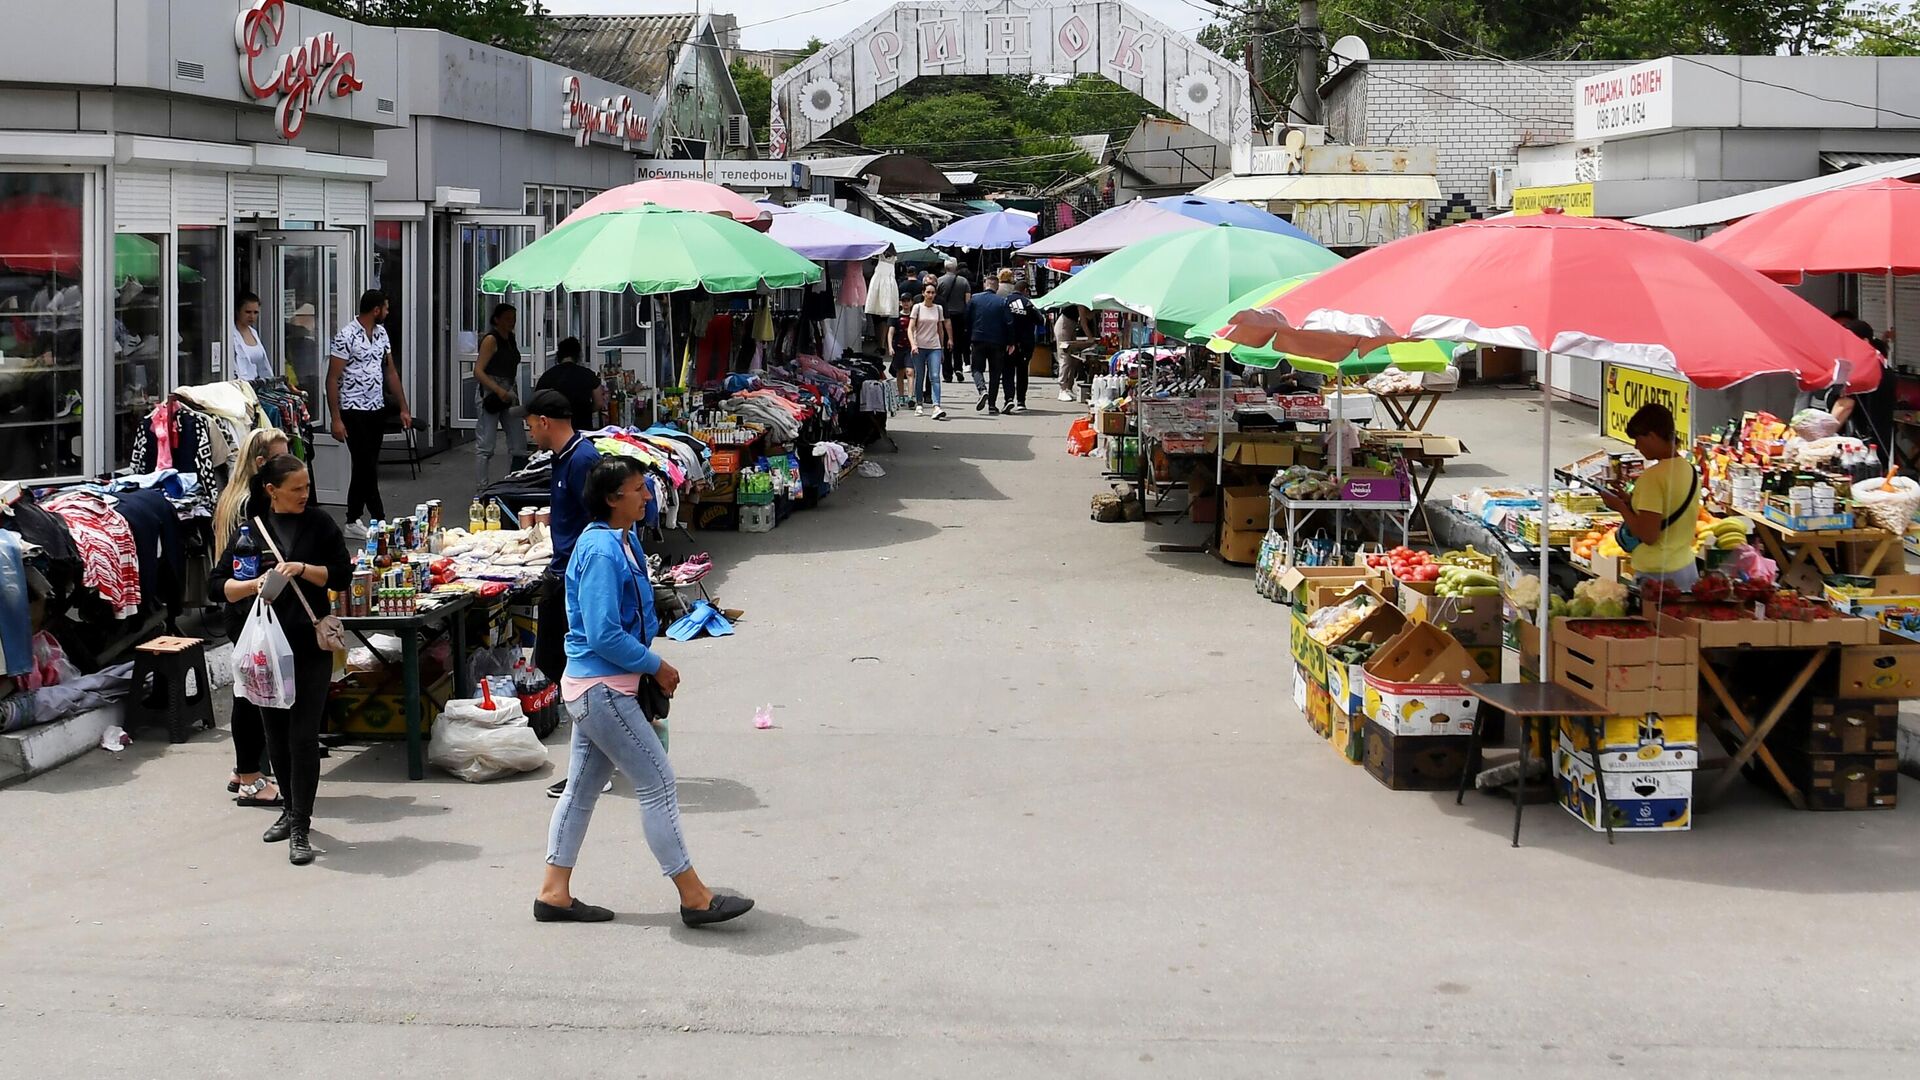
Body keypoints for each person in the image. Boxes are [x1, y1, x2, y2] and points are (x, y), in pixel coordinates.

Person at [535, 456, 755, 927]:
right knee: (657, 783)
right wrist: (656, 666)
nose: (648, 496)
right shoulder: (600, 551)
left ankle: (554, 892)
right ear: (613, 499)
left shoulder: (625, 540)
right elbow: (602, 634)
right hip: (602, 690)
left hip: (602, 688)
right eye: (639, 489)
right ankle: (694, 897)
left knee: (580, 789)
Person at [210, 454, 350, 866]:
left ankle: (302, 825)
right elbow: (219, 585)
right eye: (296, 489)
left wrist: (303, 569)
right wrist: (254, 583)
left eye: (307, 487)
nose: (305, 495)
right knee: (277, 736)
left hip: (309, 648)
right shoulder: (250, 533)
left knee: (303, 737)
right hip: (265, 653)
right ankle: (290, 811)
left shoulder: (319, 524)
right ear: (272, 492)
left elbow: (341, 574)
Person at [524, 390, 608, 800]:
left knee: (570, 669)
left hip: (576, 580)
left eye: (529, 425)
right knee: (555, 664)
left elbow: (600, 524)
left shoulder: (582, 461)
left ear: (544, 421)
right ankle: (596, 759)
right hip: (561, 573)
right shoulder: (563, 458)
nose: (529, 433)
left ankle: (593, 767)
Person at [213, 426, 289, 809]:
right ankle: (250, 777)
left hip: (244, 606)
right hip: (248, 607)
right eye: (280, 458)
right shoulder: (252, 503)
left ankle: (244, 768)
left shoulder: (235, 494)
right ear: (261, 464)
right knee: (252, 693)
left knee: (252, 689)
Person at [327, 289, 411, 539]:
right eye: (385, 308)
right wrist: (335, 418)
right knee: (365, 464)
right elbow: (332, 378)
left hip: (375, 407)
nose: (387, 312)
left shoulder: (382, 334)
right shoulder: (346, 336)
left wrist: (404, 407)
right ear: (376, 310)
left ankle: (353, 519)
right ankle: (379, 518)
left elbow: (391, 372)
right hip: (352, 409)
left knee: (366, 465)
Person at [1599, 404, 1700, 592]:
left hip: (1659, 576)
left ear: (1652, 436)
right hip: (1686, 566)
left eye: (1638, 440)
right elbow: (1667, 508)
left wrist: (1620, 507)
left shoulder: (1652, 477)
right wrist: (1630, 502)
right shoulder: (1689, 469)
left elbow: (1648, 535)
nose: (1637, 447)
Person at [1825, 318, 1895, 467]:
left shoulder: (1863, 368)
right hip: (1878, 442)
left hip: (1861, 449)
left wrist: (1821, 438)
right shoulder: (1880, 363)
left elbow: (1845, 406)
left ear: (1864, 342)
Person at [473, 302, 526, 488]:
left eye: (514, 319)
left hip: (509, 391)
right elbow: (478, 371)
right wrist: (497, 390)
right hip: (491, 393)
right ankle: (482, 487)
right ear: (497, 320)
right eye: (508, 319)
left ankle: (516, 482)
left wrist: (511, 393)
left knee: (518, 441)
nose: (512, 322)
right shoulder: (491, 340)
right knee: (486, 444)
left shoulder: (511, 339)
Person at [535, 337, 606, 430]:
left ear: (559, 355)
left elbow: (537, 404)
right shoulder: (588, 375)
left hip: (555, 430)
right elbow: (599, 402)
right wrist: (586, 411)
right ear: (578, 355)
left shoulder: (547, 376)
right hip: (582, 428)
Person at [967, 280, 1016, 415]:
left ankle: (982, 389)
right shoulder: (1002, 301)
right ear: (997, 287)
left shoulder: (975, 299)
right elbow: (1009, 322)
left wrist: (970, 337)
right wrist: (1011, 342)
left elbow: (967, 318)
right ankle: (992, 406)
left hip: (978, 339)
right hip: (997, 342)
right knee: (995, 373)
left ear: (985, 284)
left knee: (976, 369)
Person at [906, 282, 951, 421]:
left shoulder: (938, 309)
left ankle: (936, 406)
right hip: (919, 346)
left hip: (934, 346)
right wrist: (913, 344)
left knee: (935, 376)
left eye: (933, 293)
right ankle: (919, 403)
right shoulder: (917, 308)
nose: (930, 295)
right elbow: (910, 328)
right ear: (923, 293)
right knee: (920, 375)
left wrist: (942, 348)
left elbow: (940, 328)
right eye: (928, 292)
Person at [1002, 273, 1043, 412]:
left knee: (1007, 372)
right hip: (1025, 344)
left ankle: (1008, 399)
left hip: (1008, 343)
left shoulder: (1005, 301)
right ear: (1025, 290)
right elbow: (1040, 320)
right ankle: (1021, 401)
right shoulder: (1027, 303)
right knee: (1022, 372)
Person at [934, 258, 972, 383]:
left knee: (946, 344)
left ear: (945, 268)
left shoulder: (940, 281)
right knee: (958, 343)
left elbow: (936, 299)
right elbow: (968, 301)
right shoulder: (964, 281)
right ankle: (958, 367)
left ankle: (947, 373)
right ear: (956, 268)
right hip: (960, 316)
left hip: (944, 315)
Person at [1054, 304, 1096, 402]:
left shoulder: (1086, 303)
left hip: (1071, 326)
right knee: (1065, 357)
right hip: (1063, 326)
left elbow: (1088, 316)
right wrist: (1090, 337)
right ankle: (1062, 389)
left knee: (1073, 358)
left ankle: (1069, 388)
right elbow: (1083, 322)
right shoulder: (1080, 302)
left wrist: (1097, 310)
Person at [232, 291, 271, 382]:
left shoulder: (254, 333)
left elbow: (263, 365)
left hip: (256, 386)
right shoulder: (230, 335)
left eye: (255, 312)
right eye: (248, 312)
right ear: (237, 311)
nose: (252, 316)